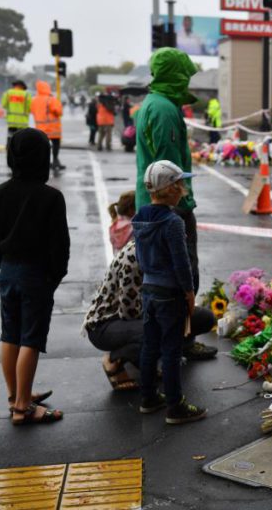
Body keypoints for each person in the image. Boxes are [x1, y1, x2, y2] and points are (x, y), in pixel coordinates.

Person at [0, 128, 69, 425]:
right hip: (36, 274)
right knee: (31, 338)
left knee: (10, 334)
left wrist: (5, 266)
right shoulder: (51, 197)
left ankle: (15, 397)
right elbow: (60, 247)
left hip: (8, 270)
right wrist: (53, 277)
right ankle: (23, 407)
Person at [83, 238, 218, 391]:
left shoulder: (170, 251)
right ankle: (114, 359)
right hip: (106, 324)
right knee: (156, 330)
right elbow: (129, 312)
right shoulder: (134, 258)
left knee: (204, 318)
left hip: (146, 311)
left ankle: (176, 349)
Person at [132, 160, 207, 424]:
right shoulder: (173, 221)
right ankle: (176, 407)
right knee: (172, 351)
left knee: (150, 346)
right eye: (181, 183)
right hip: (171, 292)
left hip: (149, 289)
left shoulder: (140, 217)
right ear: (171, 188)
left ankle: (148, 397)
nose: (183, 188)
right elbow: (181, 262)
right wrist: (189, 292)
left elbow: (139, 257)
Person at [136, 47, 200, 293]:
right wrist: (180, 205)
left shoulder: (155, 103)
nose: (188, 80)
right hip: (168, 208)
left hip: (155, 204)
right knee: (179, 281)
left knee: (159, 280)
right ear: (176, 74)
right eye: (186, 74)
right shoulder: (163, 110)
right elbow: (168, 169)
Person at [30, 81, 66, 171]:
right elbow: (59, 112)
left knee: (43, 147)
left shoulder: (34, 100)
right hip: (52, 128)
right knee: (56, 145)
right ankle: (55, 161)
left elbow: (32, 111)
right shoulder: (51, 99)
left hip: (40, 128)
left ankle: (44, 163)